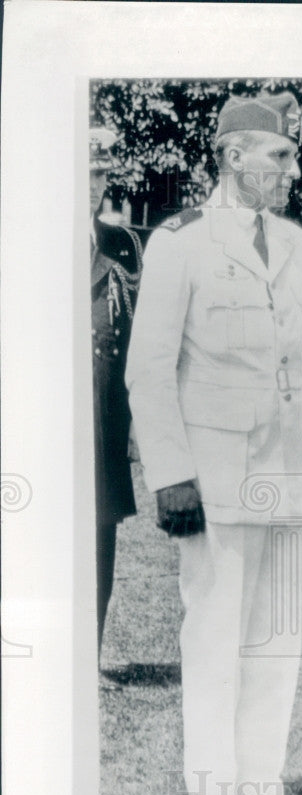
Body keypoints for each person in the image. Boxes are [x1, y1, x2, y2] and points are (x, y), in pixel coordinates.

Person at [126, 92, 302, 795]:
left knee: (278, 638)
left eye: (291, 156)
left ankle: (260, 788)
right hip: (212, 474)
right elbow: (148, 369)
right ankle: (212, 794)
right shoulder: (179, 242)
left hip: (287, 467)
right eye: (278, 156)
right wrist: (170, 475)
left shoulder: (295, 244)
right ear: (233, 156)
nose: (290, 169)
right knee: (214, 633)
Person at [89, 128, 142, 655]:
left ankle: (93, 654)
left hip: (105, 422)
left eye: (101, 174)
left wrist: (137, 424)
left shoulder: (121, 243)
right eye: (84, 173)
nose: (93, 184)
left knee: (102, 538)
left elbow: (136, 341)